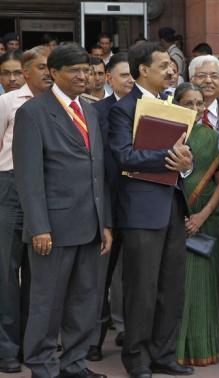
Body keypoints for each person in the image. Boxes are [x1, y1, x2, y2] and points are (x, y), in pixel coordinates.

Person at [13, 43, 112, 378]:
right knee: (47, 302)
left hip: (91, 225)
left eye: (86, 69)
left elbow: (99, 171)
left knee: (85, 302)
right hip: (52, 229)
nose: (84, 76)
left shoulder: (92, 110)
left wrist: (106, 223)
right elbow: (28, 177)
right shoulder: (33, 113)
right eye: (75, 70)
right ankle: (42, 365)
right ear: (53, 73)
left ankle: (74, 362)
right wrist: (39, 226)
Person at [108, 41, 194, 378]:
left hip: (172, 204)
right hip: (141, 210)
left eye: (172, 66)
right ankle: (137, 357)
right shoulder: (123, 108)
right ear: (143, 70)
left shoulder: (172, 104)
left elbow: (184, 157)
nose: (171, 70)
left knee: (171, 285)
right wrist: (167, 158)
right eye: (163, 66)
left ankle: (164, 353)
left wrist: (185, 163)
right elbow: (123, 155)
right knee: (141, 288)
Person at [0, 45, 51, 374]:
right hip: (9, 186)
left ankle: (35, 345)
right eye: (42, 67)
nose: (48, 72)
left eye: (51, 67)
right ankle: (7, 347)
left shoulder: (55, 104)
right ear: (27, 70)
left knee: (39, 273)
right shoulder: (7, 102)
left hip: (46, 190)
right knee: (6, 270)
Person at [173, 83, 219, 366]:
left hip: (206, 220)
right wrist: (181, 214)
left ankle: (205, 346)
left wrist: (201, 216)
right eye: (187, 103)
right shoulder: (164, 136)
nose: (193, 108)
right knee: (177, 285)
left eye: (198, 103)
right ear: (176, 105)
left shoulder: (214, 138)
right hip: (173, 219)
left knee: (205, 285)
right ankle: (175, 350)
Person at [86, 52, 134, 362]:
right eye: (124, 75)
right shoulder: (95, 112)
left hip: (140, 205)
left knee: (135, 276)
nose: (130, 80)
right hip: (106, 204)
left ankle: (132, 333)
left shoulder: (149, 108)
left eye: (134, 75)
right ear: (109, 79)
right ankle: (92, 339)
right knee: (97, 278)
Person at [189, 55, 219, 131]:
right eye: (202, 76)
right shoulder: (180, 110)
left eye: (214, 76)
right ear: (191, 79)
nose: (208, 81)